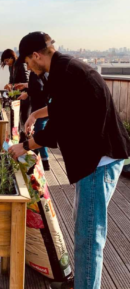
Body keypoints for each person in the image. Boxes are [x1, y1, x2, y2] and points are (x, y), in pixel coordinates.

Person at [8, 31, 130, 289]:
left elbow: (57, 128)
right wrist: (35, 115)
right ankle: (84, 281)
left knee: (88, 234)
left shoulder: (65, 73)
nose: (28, 68)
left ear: (36, 55)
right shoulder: (66, 67)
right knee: (84, 224)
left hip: (99, 160)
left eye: (28, 63)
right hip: (97, 159)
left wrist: (24, 146)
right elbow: (65, 106)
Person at [14, 71, 50, 170]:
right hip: (45, 107)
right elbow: (39, 85)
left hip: (40, 108)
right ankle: (39, 159)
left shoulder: (35, 72)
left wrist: (27, 93)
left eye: (28, 63)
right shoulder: (44, 70)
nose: (28, 67)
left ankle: (44, 161)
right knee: (39, 133)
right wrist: (26, 86)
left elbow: (38, 87)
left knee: (39, 134)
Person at [1, 49, 30, 142]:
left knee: (24, 119)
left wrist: (12, 85)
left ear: (12, 57)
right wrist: (10, 86)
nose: (6, 63)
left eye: (6, 60)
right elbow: (11, 81)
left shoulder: (21, 64)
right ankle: (21, 140)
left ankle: (27, 141)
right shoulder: (11, 67)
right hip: (17, 97)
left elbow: (27, 82)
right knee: (17, 119)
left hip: (25, 96)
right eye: (4, 62)